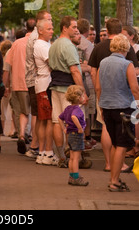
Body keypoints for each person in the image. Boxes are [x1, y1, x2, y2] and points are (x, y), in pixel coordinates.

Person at [88, 17, 138, 172]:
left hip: (105, 98)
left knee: (106, 129)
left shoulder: (99, 51)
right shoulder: (127, 60)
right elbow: (134, 83)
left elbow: (93, 73)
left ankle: (108, 163)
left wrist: (99, 96)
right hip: (123, 101)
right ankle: (117, 172)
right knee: (121, 142)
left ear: (107, 29)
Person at [96, 34, 139, 192]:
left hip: (107, 107)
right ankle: (114, 181)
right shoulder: (127, 64)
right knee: (122, 146)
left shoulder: (103, 63)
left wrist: (101, 104)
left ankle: (114, 178)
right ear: (126, 48)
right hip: (123, 108)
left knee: (115, 144)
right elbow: (134, 88)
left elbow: (98, 87)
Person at [48, 16, 88, 167]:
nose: (76, 29)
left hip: (55, 86)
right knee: (73, 121)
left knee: (57, 121)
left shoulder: (54, 45)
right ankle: (72, 154)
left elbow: (51, 66)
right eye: (73, 27)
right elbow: (75, 71)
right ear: (65, 28)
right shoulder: (68, 46)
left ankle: (61, 156)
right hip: (68, 88)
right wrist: (82, 93)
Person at [5, 19, 36, 155]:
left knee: (22, 112)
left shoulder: (16, 43)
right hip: (34, 83)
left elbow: (8, 64)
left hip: (17, 83)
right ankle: (35, 142)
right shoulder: (37, 43)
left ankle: (22, 135)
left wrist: (6, 86)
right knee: (35, 113)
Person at [25, 11, 53, 155]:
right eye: (49, 23)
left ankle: (39, 149)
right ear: (40, 25)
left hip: (37, 80)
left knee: (41, 117)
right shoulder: (39, 41)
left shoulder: (40, 40)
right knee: (43, 118)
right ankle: (42, 149)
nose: (51, 29)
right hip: (39, 80)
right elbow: (50, 63)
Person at [33, 18, 57, 165]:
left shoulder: (42, 44)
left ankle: (42, 152)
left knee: (42, 120)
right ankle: (48, 152)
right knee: (48, 119)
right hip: (45, 84)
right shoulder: (43, 46)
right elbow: (53, 63)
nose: (52, 31)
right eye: (49, 29)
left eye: (52, 28)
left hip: (41, 84)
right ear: (40, 30)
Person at [58, 85, 89, 187]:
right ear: (79, 98)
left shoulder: (68, 108)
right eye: (83, 96)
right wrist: (80, 128)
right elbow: (74, 117)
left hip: (70, 135)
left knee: (71, 157)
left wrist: (63, 128)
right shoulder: (77, 109)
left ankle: (71, 176)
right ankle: (76, 177)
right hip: (76, 135)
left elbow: (59, 118)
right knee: (76, 158)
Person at [77, 19, 96, 150]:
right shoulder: (88, 44)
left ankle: (84, 137)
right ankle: (86, 136)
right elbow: (92, 63)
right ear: (87, 31)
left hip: (75, 80)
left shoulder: (72, 42)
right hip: (87, 80)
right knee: (87, 110)